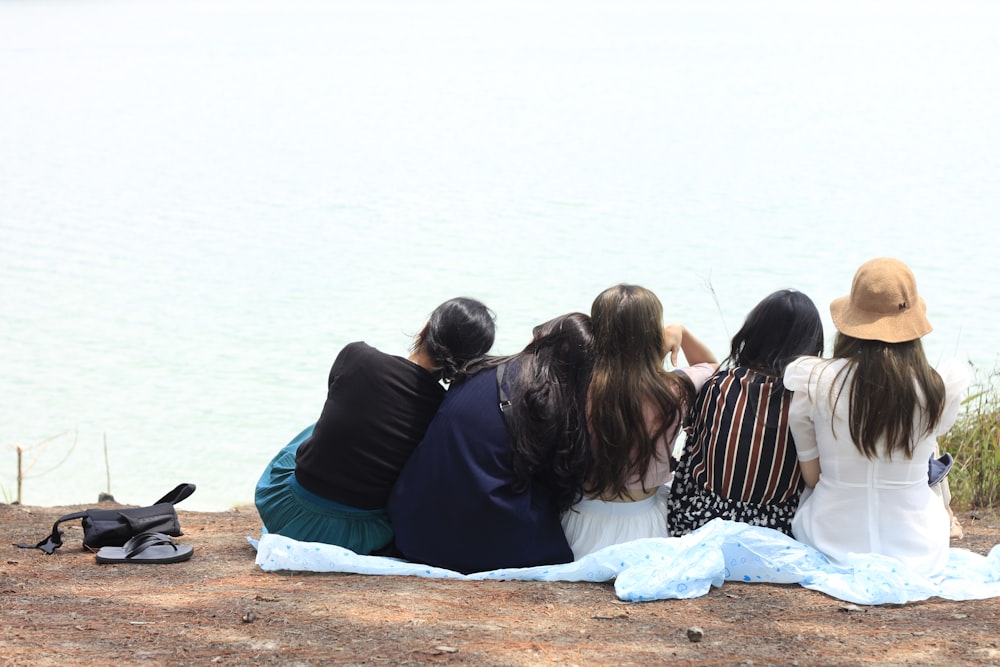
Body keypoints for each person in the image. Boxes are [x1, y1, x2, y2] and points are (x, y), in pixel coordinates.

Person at [254, 297, 496, 555]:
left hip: (287, 513)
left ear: (426, 329)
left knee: (320, 425)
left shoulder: (356, 356)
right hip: (364, 536)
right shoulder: (444, 409)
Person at [784, 258, 970, 575]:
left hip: (830, 539)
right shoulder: (936, 387)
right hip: (918, 547)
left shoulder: (814, 382)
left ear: (850, 322)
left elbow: (812, 478)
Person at [387, 312, 594, 574]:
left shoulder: (480, 368)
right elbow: (564, 483)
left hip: (413, 528)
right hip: (484, 549)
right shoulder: (554, 402)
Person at [561, 284, 718, 559]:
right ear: (653, 334)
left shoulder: (575, 385)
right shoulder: (673, 389)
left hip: (578, 523)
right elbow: (711, 366)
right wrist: (678, 330)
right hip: (645, 526)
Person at [667, 289, 825, 537]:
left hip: (699, 520)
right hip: (776, 527)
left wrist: (681, 331)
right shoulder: (805, 397)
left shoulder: (718, 385)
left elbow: (708, 368)